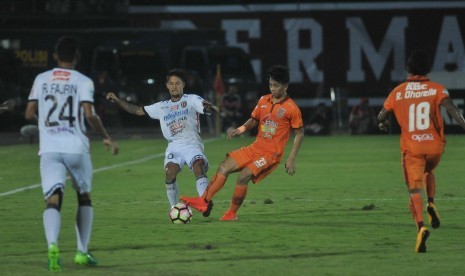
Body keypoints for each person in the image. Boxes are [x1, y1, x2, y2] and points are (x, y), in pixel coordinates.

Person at [24, 36, 119, 272]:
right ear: (77, 56)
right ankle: (81, 252)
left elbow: (28, 113)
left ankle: (52, 247)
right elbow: (89, 114)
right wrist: (105, 136)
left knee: (53, 199)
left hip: (50, 148)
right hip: (76, 147)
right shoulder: (83, 81)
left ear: (55, 55)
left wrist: (44, 125)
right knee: (84, 197)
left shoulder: (41, 79)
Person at [181, 65, 304, 221]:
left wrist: (291, 158)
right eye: (271, 85)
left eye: (276, 86)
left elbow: (299, 133)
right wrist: (240, 129)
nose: (272, 89)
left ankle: (232, 213)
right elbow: (254, 119)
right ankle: (204, 202)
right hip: (255, 148)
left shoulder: (292, 108)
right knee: (224, 166)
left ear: (285, 86)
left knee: (244, 175)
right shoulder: (263, 100)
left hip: (270, 154)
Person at [378, 50, 465, 253]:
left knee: (413, 190)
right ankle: (432, 203)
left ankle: (420, 227)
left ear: (408, 69)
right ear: (427, 70)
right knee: (429, 171)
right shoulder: (437, 89)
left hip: (413, 150)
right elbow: (453, 110)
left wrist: (382, 124)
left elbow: (381, 115)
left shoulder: (398, 92)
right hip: (434, 149)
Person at [106, 68, 215, 212]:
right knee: (170, 172)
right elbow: (138, 110)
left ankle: (204, 204)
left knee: (198, 166)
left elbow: (204, 106)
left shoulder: (191, 99)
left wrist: (207, 108)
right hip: (174, 146)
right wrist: (117, 101)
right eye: (171, 83)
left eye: (177, 83)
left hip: (192, 144)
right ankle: (174, 208)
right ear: (167, 86)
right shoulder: (161, 106)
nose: (174, 86)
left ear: (183, 85)